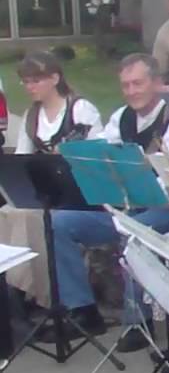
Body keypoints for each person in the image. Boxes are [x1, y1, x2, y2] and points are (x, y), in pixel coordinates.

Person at [36, 54, 169, 346]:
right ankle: (82, 310)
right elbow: (100, 160)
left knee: (133, 230)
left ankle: (137, 321)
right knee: (58, 222)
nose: (131, 91)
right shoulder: (121, 117)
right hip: (127, 208)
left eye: (138, 83)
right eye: (125, 85)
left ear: (157, 82)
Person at [0, 52, 104, 316]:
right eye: (25, 81)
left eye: (35, 80)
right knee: (9, 214)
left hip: (83, 195)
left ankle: (52, 299)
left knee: (41, 220)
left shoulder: (80, 109)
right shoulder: (31, 116)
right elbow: (22, 161)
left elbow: (97, 158)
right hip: (48, 193)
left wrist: (69, 154)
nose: (29, 87)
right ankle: (22, 292)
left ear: (55, 78)